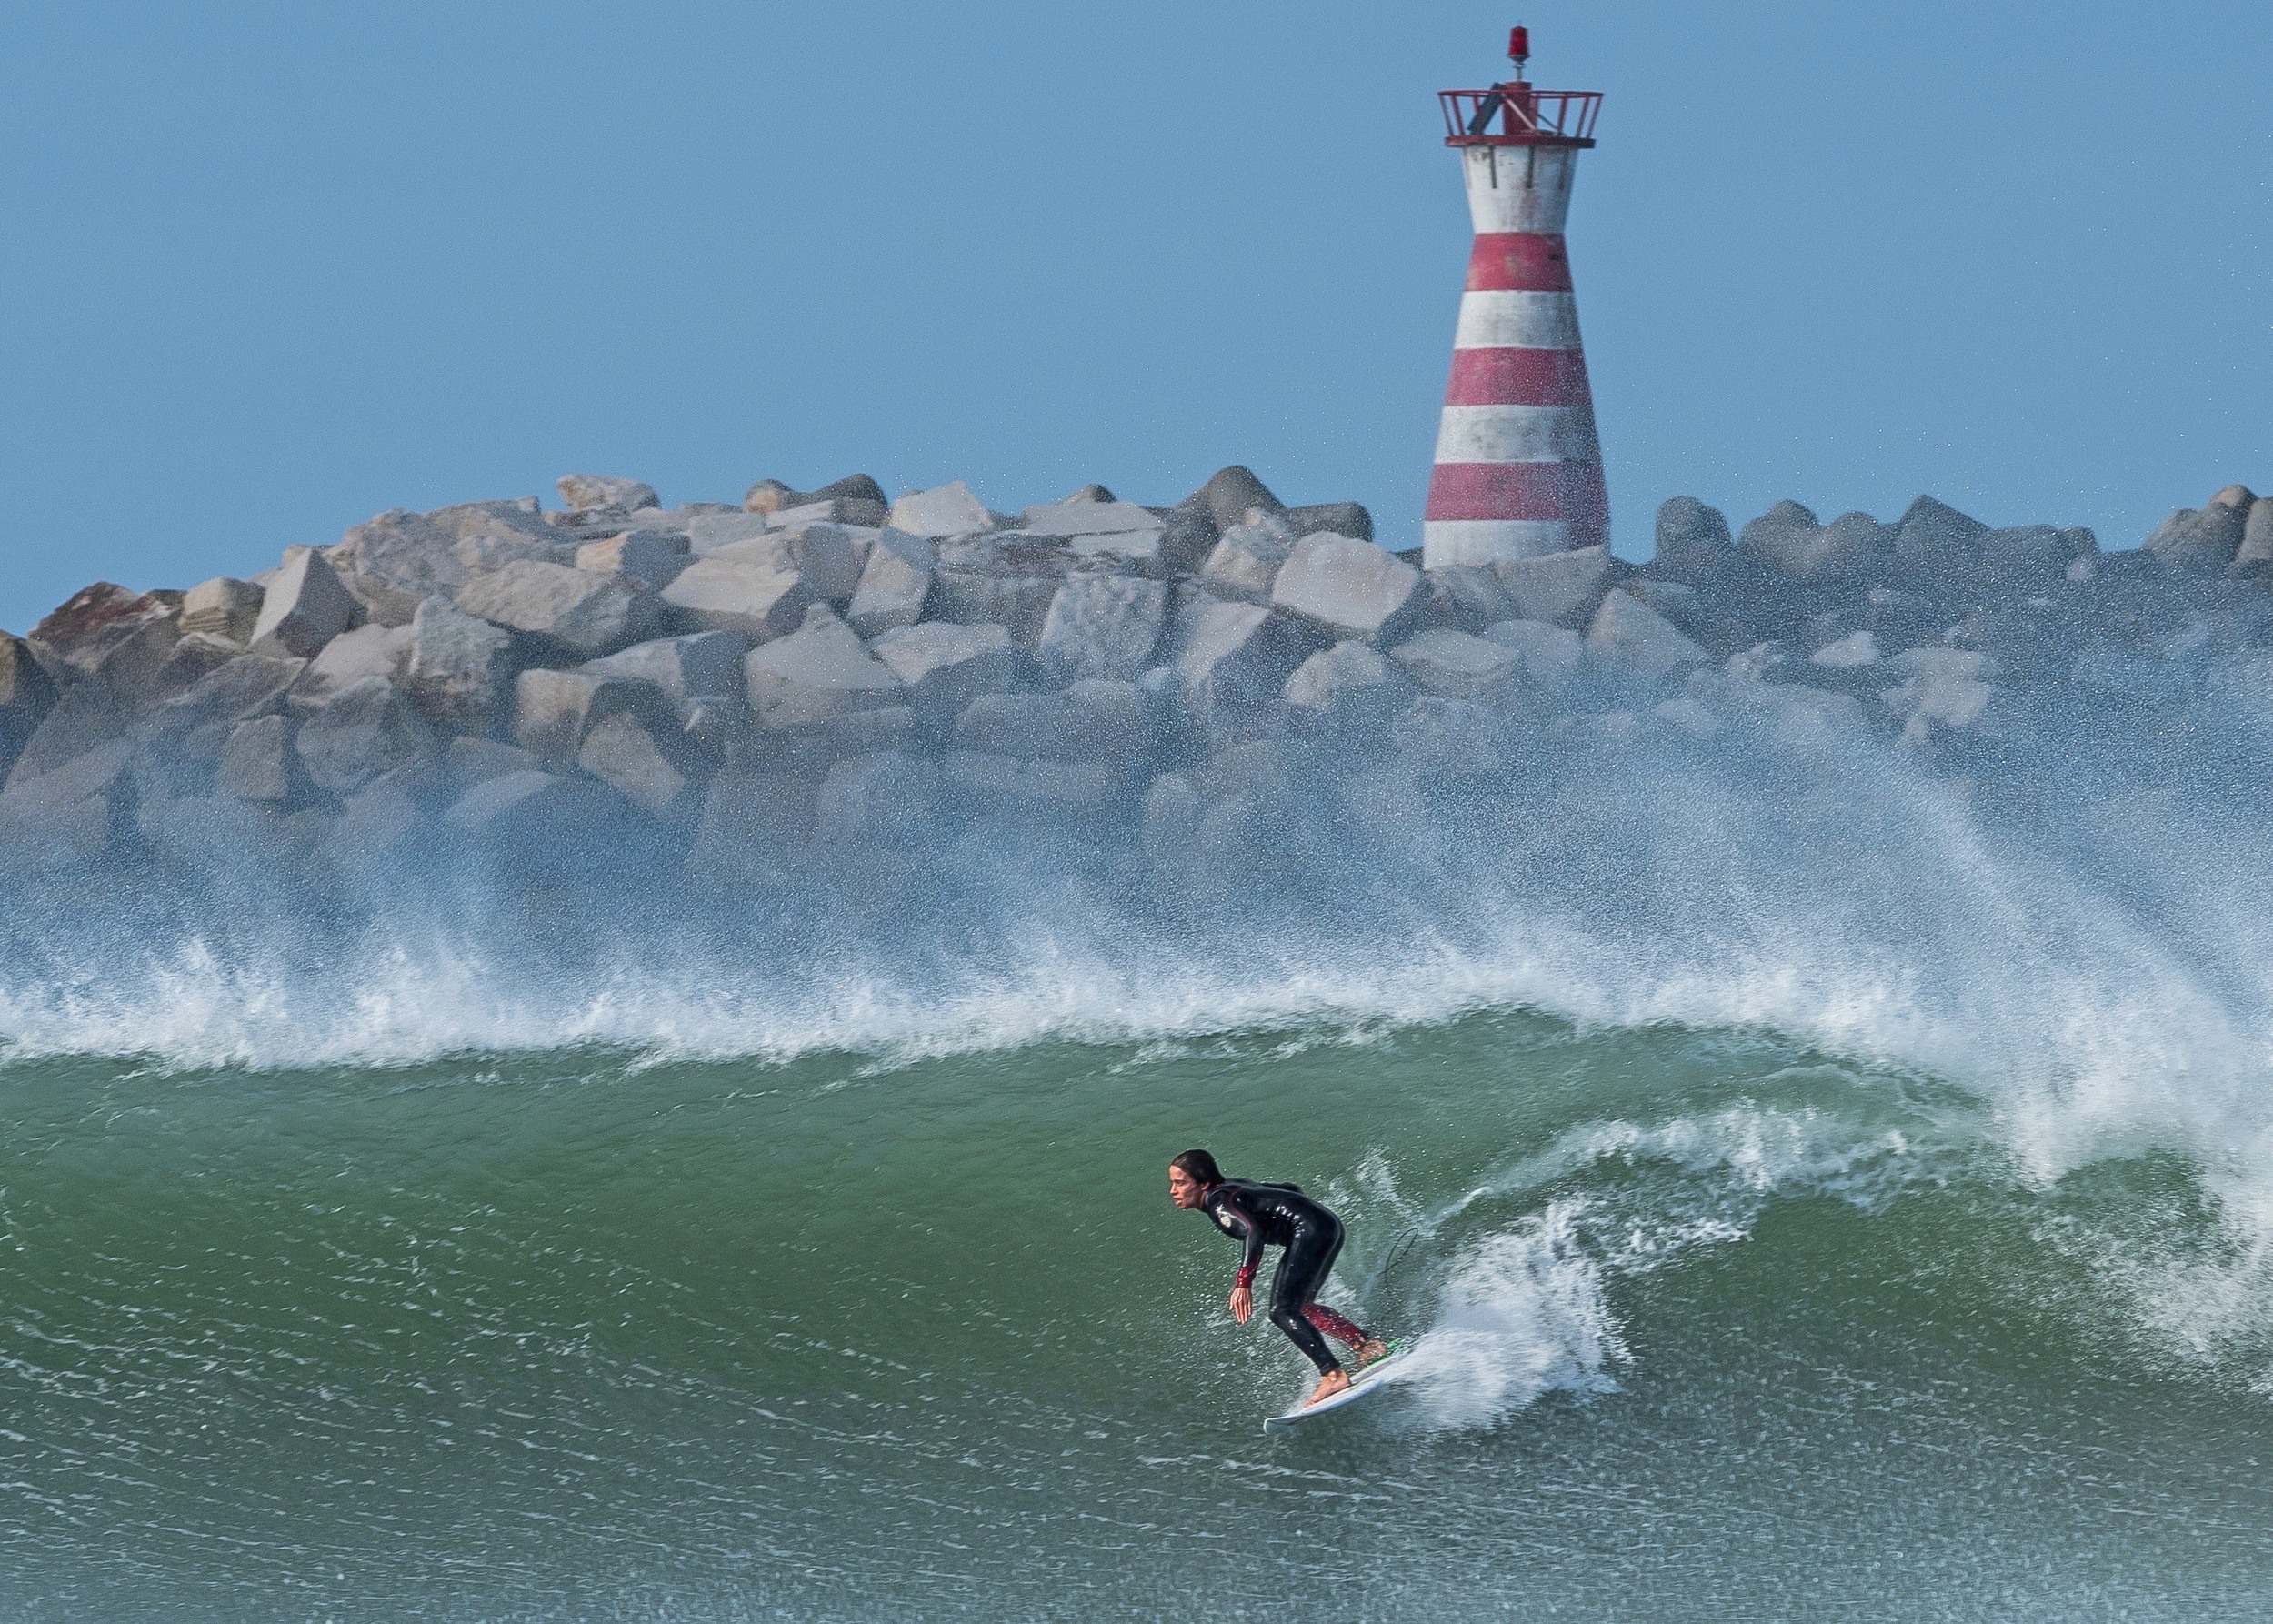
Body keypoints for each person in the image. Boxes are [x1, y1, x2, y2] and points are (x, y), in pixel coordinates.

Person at [1167, 1148, 1389, 1407]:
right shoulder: (1232, 1186)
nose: (1173, 1190)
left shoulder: (1218, 1204)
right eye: (1173, 1183)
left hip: (1309, 1232)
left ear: (1203, 1184)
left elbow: (1253, 1233)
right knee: (1301, 1306)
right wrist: (1305, 1211)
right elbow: (1290, 1188)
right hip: (1327, 1225)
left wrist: (1243, 1284)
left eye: (1181, 1183)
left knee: (1281, 1310)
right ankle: (1366, 1345)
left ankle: (1333, 1374)